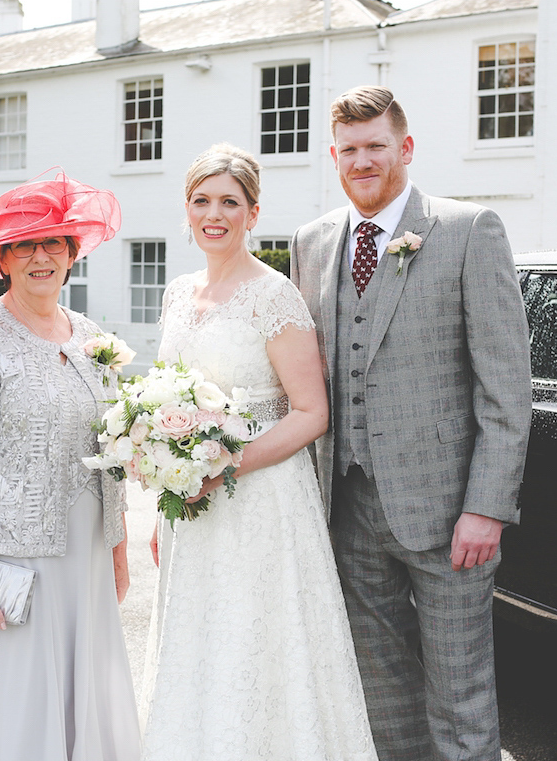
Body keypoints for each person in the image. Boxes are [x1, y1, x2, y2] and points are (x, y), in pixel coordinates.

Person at [289, 86, 532, 761]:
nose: (362, 161)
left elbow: (505, 387)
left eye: (375, 147)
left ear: (405, 147)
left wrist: (486, 507)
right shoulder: (311, 243)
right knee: (381, 696)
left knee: (461, 699)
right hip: (347, 509)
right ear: (333, 156)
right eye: (349, 150)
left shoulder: (467, 229)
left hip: (449, 515)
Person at [138, 144, 378, 761]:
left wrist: (224, 466)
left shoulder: (274, 296)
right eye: (201, 201)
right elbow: (168, 398)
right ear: (186, 211)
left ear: (253, 212)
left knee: (258, 643)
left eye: (229, 202)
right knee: (198, 642)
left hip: (261, 502)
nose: (213, 214)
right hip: (190, 505)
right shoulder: (177, 292)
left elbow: (312, 413)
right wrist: (167, 491)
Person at [0, 171, 140, 761]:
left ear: (72, 254)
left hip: (86, 557)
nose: (41, 256)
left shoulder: (92, 337)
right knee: (17, 711)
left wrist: (116, 550)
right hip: (17, 561)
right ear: (3, 259)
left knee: (84, 694)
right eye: (25, 244)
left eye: (53, 243)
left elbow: (110, 451)